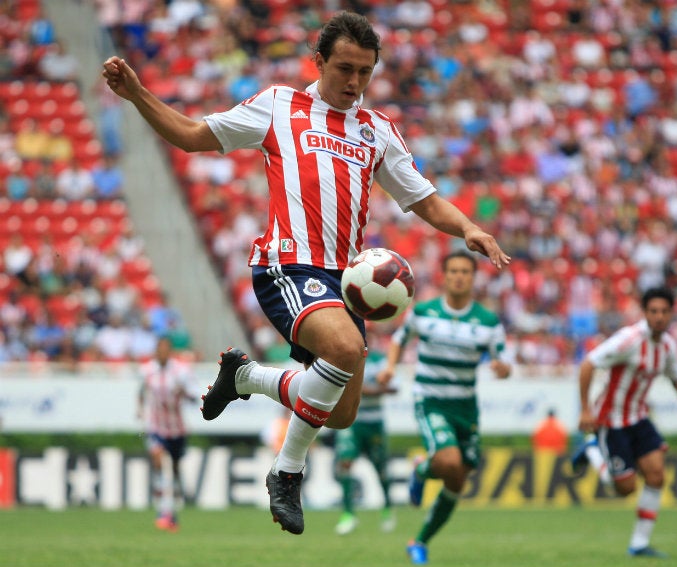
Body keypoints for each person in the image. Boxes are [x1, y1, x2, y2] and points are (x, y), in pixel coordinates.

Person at [102, 11, 510, 536]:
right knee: (343, 352)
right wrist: (138, 94)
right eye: (344, 68)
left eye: (365, 71)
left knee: (339, 412)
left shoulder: (378, 131)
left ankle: (245, 377)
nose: (354, 82)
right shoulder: (279, 106)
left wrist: (468, 228)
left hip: (345, 283)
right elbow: (191, 135)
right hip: (287, 264)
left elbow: (423, 199)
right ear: (317, 61)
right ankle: (286, 472)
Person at [377, 250, 512, 565]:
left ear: (473, 277)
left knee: (457, 480)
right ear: (444, 275)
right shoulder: (423, 312)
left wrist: (503, 369)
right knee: (449, 462)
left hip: (466, 406)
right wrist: (390, 367)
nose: (459, 276)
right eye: (453, 271)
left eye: (465, 271)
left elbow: (504, 358)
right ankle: (425, 468)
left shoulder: (488, 321)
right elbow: (399, 339)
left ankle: (419, 540)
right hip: (431, 400)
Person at [571, 287, 677, 558]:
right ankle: (591, 449)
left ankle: (638, 544)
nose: (659, 317)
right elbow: (588, 364)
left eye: (663, 312)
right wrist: (585, 411)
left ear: (671, 314)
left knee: (657, 475)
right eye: (653, 311)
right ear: (645, 313)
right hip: (610, 420)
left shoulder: (669, 346)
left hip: (638, 417)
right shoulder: (629, 339)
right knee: (625, 489)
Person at [333, 347, 397, 535]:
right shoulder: (346, 353)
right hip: (351, 422)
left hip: (374, 422)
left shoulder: (380, 359)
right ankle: (348, 514)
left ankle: (387, 508)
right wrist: (374, 388)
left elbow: (395, 387)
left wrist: (365, 389)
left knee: (381, 469)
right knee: (345, 463)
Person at [137, 336, 196, 532]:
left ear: (169, 351)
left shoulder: (181, 371)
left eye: (165, 349)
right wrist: (139, 410)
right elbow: (141, 391)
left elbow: (194, 396)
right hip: (156, 428)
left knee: (175, 469)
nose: (161, 353)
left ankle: (173, 506)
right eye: (158, 349)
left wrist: (184, 393)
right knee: (160, 462)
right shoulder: (147, 370)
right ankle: (164, 512)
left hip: (177, 428)